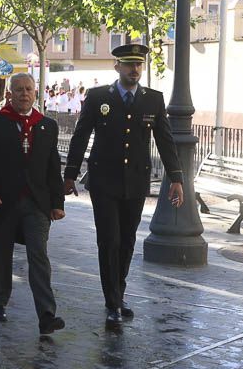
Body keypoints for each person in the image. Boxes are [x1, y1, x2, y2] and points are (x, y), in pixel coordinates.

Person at [64, 44, 184, 324]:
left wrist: (176, 178)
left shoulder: (153, 99)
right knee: (109, 240)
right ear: (117, 66)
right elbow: (81, 136)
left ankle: (119, 292)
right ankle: (112, 301)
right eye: (129, 64)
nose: (134, 70)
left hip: (136, 181)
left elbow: (165, 140)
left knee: (128, 240)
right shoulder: (97, 97)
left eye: (138, 65)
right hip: (104, 179)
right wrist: (70, 174)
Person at [0, 72, 65, 337]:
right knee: (1, 253)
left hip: (36, 203)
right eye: (19, 90)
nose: (24, 94)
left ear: (35, 93)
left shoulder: (47, 125)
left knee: (39, 256)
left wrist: (57, 203)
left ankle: (47, 315)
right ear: (10, 94)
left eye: (29, 89)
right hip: (3, 202)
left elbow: (53, 168)